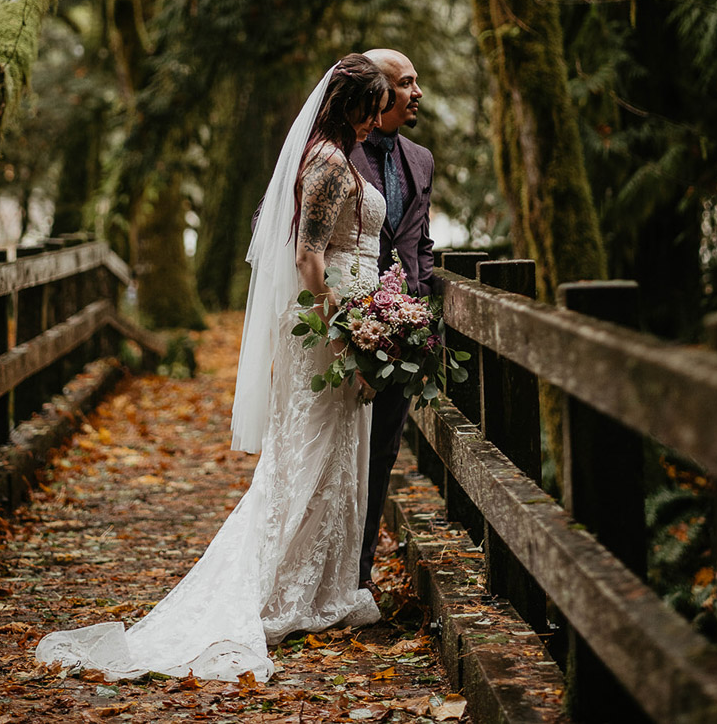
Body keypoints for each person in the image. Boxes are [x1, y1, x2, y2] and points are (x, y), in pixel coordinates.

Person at [35, 54, 392, 682]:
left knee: (330, 452)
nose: (373, 122)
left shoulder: (326, 158)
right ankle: (284, 593)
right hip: (327, 323)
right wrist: (342, 329)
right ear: (349, 105)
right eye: (369, 109)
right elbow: (310, 257)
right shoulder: (331, 164)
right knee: (307, 455)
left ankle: (317, 592)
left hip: (345, 315)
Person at [350, 48, 434, 590]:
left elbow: (420, 244)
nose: (417, 92)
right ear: (375, 96)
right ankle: (319, 576)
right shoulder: (330, 155)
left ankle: (357, 578)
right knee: (336, 458)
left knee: (381, 452)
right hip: (344, 327)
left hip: (402, 332)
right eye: (406, 84)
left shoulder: (421, 159)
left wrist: (419, 316)